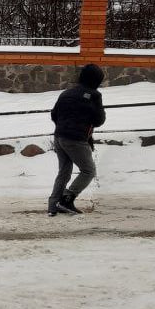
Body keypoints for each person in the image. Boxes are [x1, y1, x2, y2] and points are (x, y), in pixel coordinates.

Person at [48, 64, 105, 216]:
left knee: (64, 172)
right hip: (76, 139)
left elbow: (53, 114)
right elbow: (99, 120)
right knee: (88, 171)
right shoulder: (94, 95)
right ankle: (66, 199)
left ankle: (53, 206)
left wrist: (64, 125)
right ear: (96, 80)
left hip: (59, 136)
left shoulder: (66, 93)